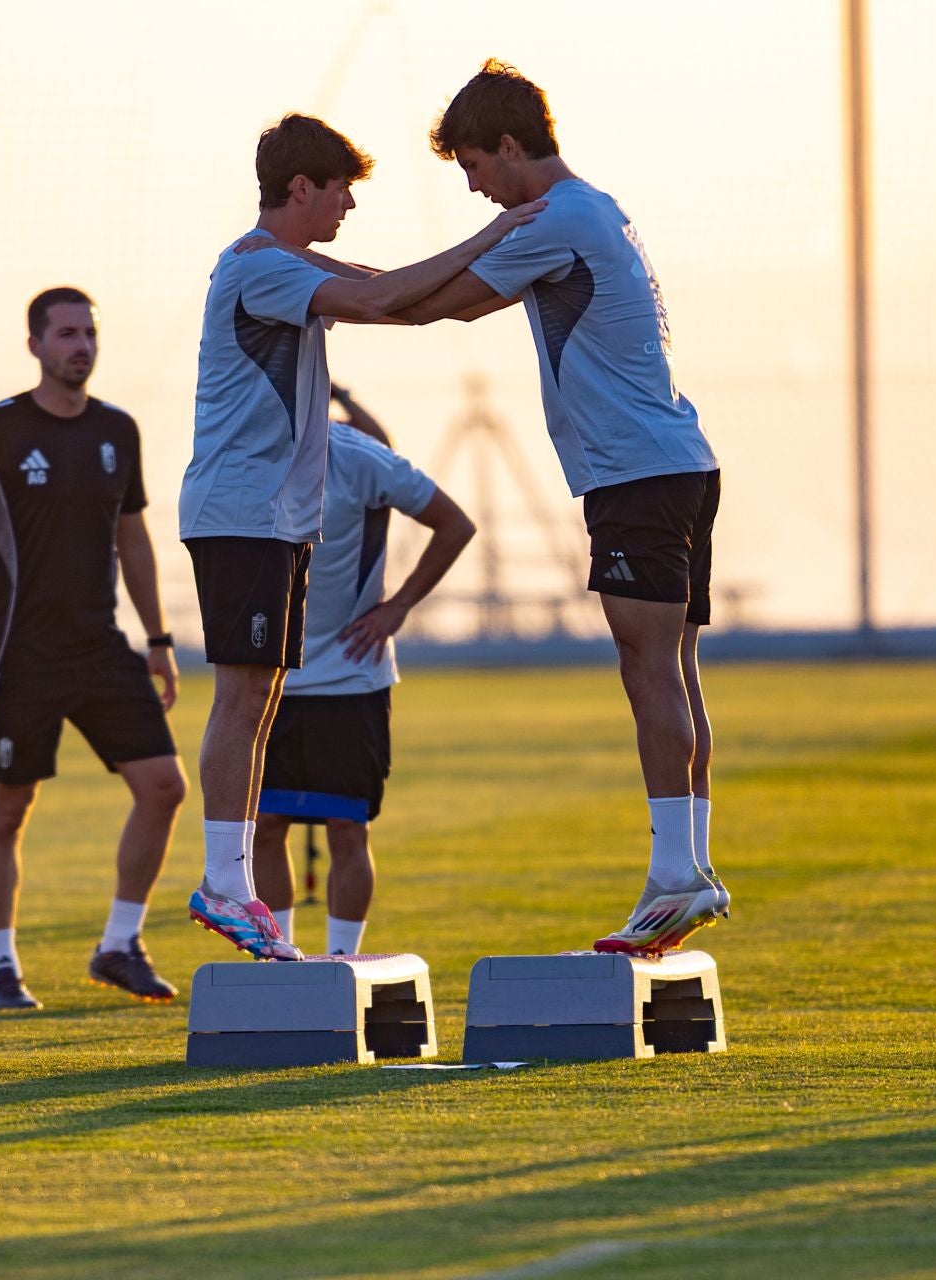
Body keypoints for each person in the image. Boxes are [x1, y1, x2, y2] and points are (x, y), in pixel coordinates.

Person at [307, 60, 723, 954]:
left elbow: (439, 312)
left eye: (474, 168)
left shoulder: (552, 218)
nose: (475, 190)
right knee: (674, 671)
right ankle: (688, 869)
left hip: (636, 475)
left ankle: (675, 878)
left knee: (647, 670)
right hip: (677, 462)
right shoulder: (598, 207)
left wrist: (329, 294)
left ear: (509, 145)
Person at [180, 113, 542, 958]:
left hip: (275, 519)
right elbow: (383, 299)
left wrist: (508, 271)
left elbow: (394, 293)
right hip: (241, 513)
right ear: (300, 188)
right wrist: (497, 230)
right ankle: (223, 882)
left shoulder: (290, 264)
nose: (348, 205)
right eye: (341, 189)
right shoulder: (258, 266)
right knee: (241, 697)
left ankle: (232, 884)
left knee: (262, 695)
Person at [0, 288, 188, 1011]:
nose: (81, 345)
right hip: (18, 655)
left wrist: (157, 639)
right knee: (9, 808)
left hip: (101, 648)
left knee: (165, 787)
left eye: (89, 332)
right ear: (34, 344)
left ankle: (119, 945)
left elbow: (132, 537)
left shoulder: (118, 432)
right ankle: (2, 967)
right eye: (66, 333)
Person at [250, 393, 476, 956]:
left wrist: (398, 607)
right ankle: (281, 961)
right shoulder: (240, 455)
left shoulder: (361, 456)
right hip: (267, 680)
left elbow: (455, 524)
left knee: (347, 829)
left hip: (351, 680)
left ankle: (343, 961)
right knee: (267, 826)